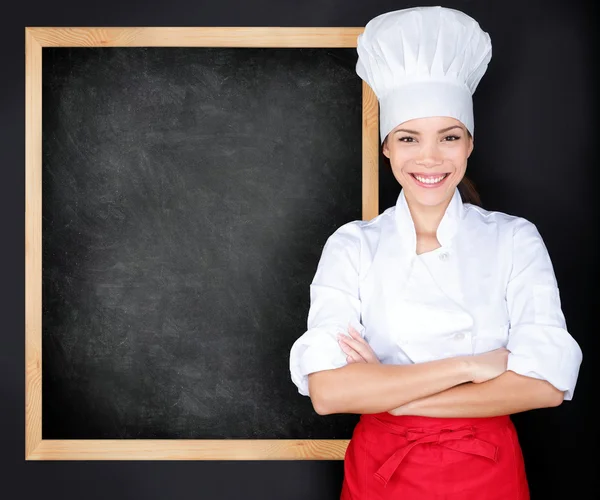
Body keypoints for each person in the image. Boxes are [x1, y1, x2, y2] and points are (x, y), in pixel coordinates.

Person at [288, 6, 583, 500]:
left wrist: (391, 390)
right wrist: (470, 368)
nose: (429, 158)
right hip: (382, 472)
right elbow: (328, 393)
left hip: (485, 469)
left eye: (448, 137)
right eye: (409, 138)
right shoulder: (352, 245)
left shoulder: (513, 239)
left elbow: (546, 386)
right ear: (387, 148)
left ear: (469, 144)